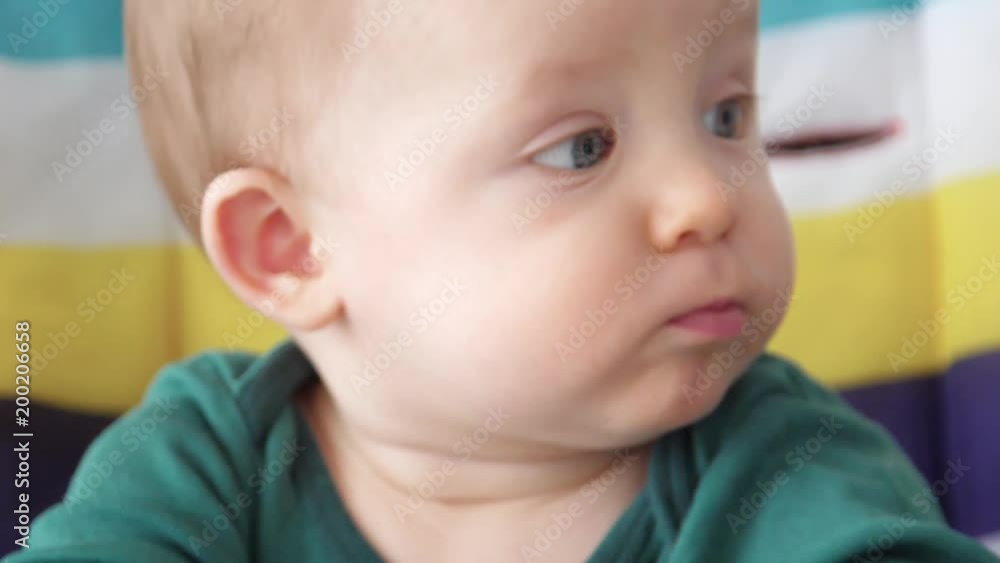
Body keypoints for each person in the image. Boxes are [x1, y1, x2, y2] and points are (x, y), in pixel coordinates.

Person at [7, 0, 998, 561]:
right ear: (291, 245)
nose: (705, 194)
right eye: (580, 149)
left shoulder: (784, 468)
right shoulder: (203, 467)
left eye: (726, 116)